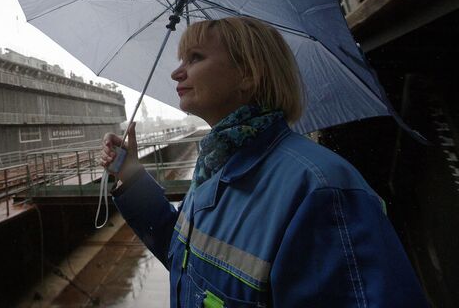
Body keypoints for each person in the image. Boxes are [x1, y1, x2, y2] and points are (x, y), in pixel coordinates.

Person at [101, 17, 428, 307]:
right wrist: (132, 177)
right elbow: (184, 257)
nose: (176, 72)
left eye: (195, 57)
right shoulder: (214, 169)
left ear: (248, 75)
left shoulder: (322, 190)